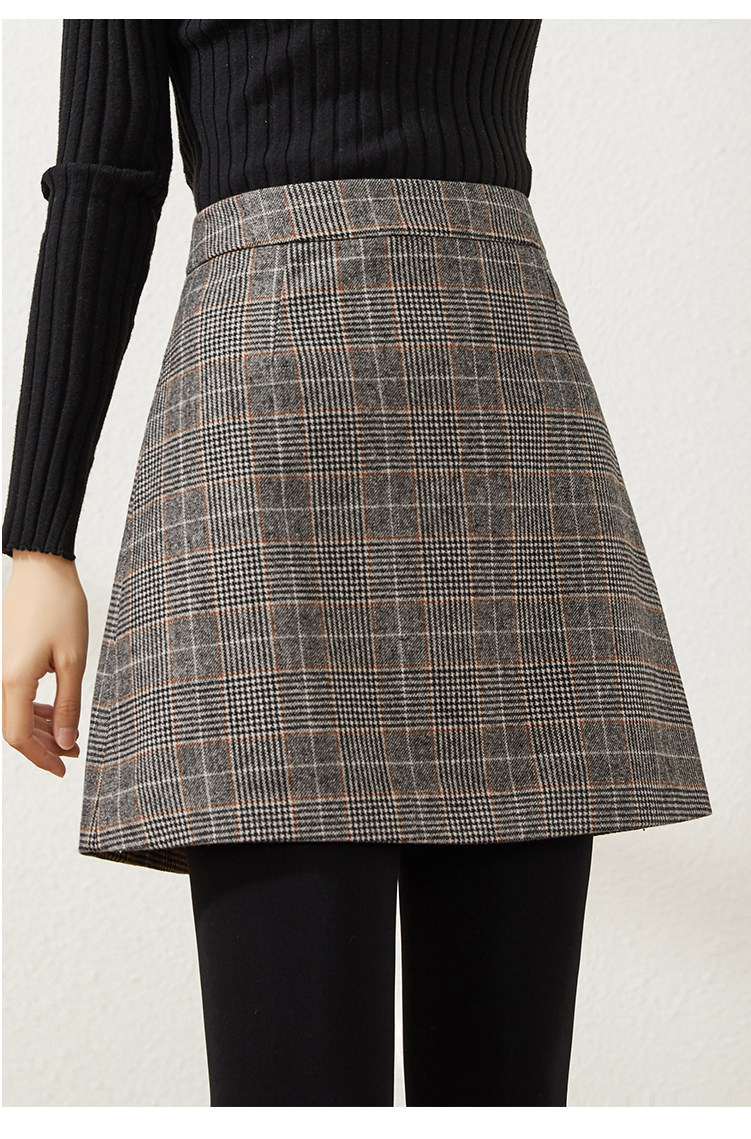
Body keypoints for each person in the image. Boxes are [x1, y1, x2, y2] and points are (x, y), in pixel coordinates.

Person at [1, 20, 712, 1107]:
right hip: (265, 435)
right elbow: (104, 182)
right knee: (295, 1092)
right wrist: (38, 537)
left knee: (503, 1097)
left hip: (498, 425)